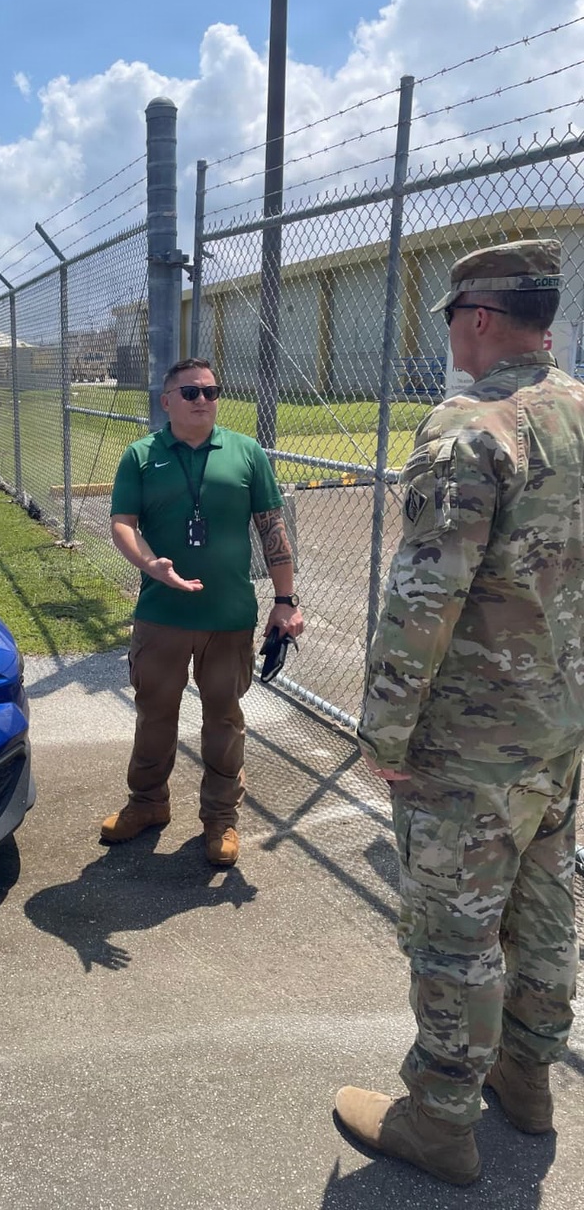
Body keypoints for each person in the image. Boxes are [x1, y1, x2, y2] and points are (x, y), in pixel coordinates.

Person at [335, 240, 584, 1186]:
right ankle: (526, 1079)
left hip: (470, 743)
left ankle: (440, 1117)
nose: (451, 335)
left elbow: (423, 601)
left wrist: (385, 733)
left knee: (456, 931)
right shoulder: (578, 413)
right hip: (555, 731)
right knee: (546, 903)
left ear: (479, 317)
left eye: (450, 318)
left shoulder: (474, 427)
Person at [102, 357, 304, 866]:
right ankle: (147, 804)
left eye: (211, 392)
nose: (202, 401)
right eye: (190, 393)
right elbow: (122, 522)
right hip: (162, 615)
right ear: (166, 401)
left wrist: (285, 601)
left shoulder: (246, 452)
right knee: (154, 716)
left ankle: (221, 821)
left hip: (228, 617)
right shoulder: (142, 456)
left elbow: (272, 528)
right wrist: (152, 565)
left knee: (224, 722)